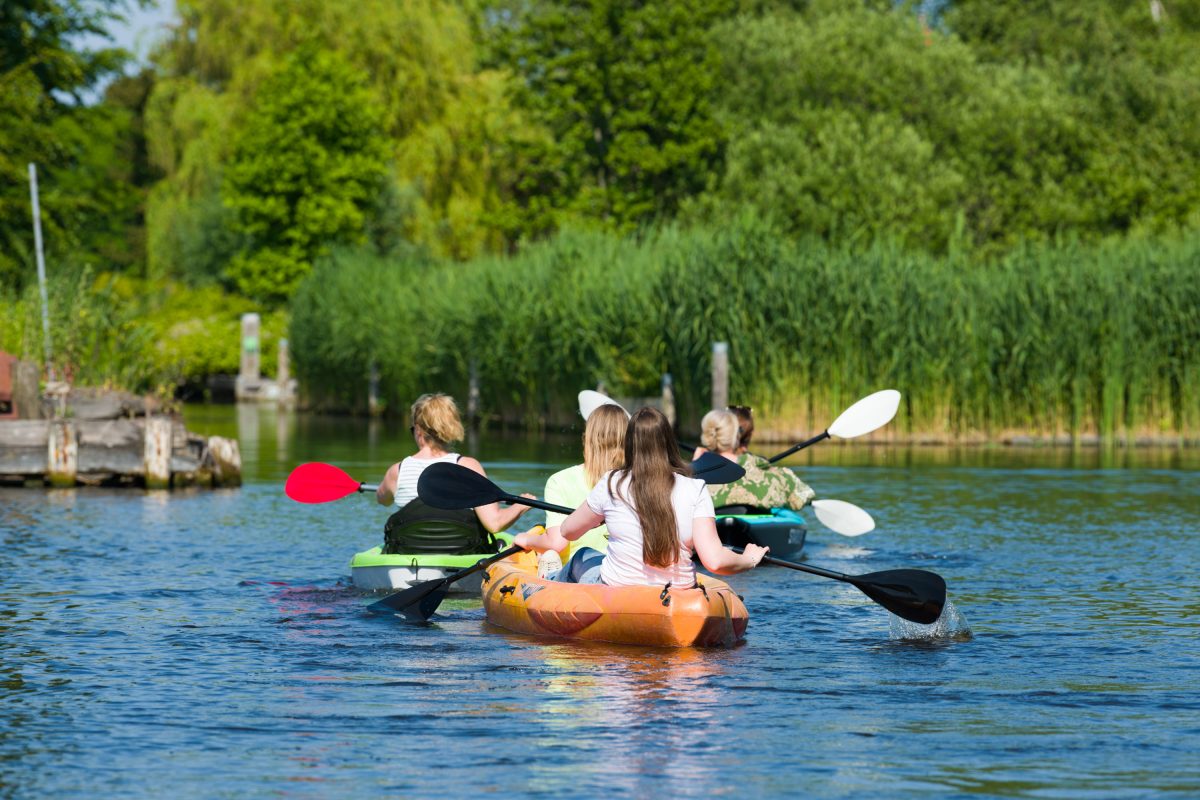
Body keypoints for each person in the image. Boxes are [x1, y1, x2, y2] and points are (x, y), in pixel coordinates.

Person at [514, 407, 768, 586]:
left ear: (629, 443)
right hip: (676, 589)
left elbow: (568, 533)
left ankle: (550, 580)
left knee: (583, 556)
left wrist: (599, 516)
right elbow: (714, 560)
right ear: (669, 443)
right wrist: (748, 559)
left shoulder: (611, 483)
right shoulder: (696, 487)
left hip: (617, 588)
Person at [375, 393, 532, 552]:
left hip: (409, 553)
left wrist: (385, 489)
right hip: (460, 555)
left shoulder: (397, 471)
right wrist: (522, 504)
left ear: (418, 429)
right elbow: (494, 523)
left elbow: (382, 499)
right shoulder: (468, 467)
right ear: (453, 426)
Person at [540, 403, 629, 566]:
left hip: (579, 571)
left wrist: (524, 539)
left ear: (587, 439)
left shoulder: (559, 481)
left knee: (545, 557)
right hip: (626, 569)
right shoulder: (636, 480)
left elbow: (556, 543)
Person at [698, 408, 815, 511]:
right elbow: (805, 495)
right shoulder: (773, 474)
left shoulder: (691, 477)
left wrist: (697, 462)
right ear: (736, 436)